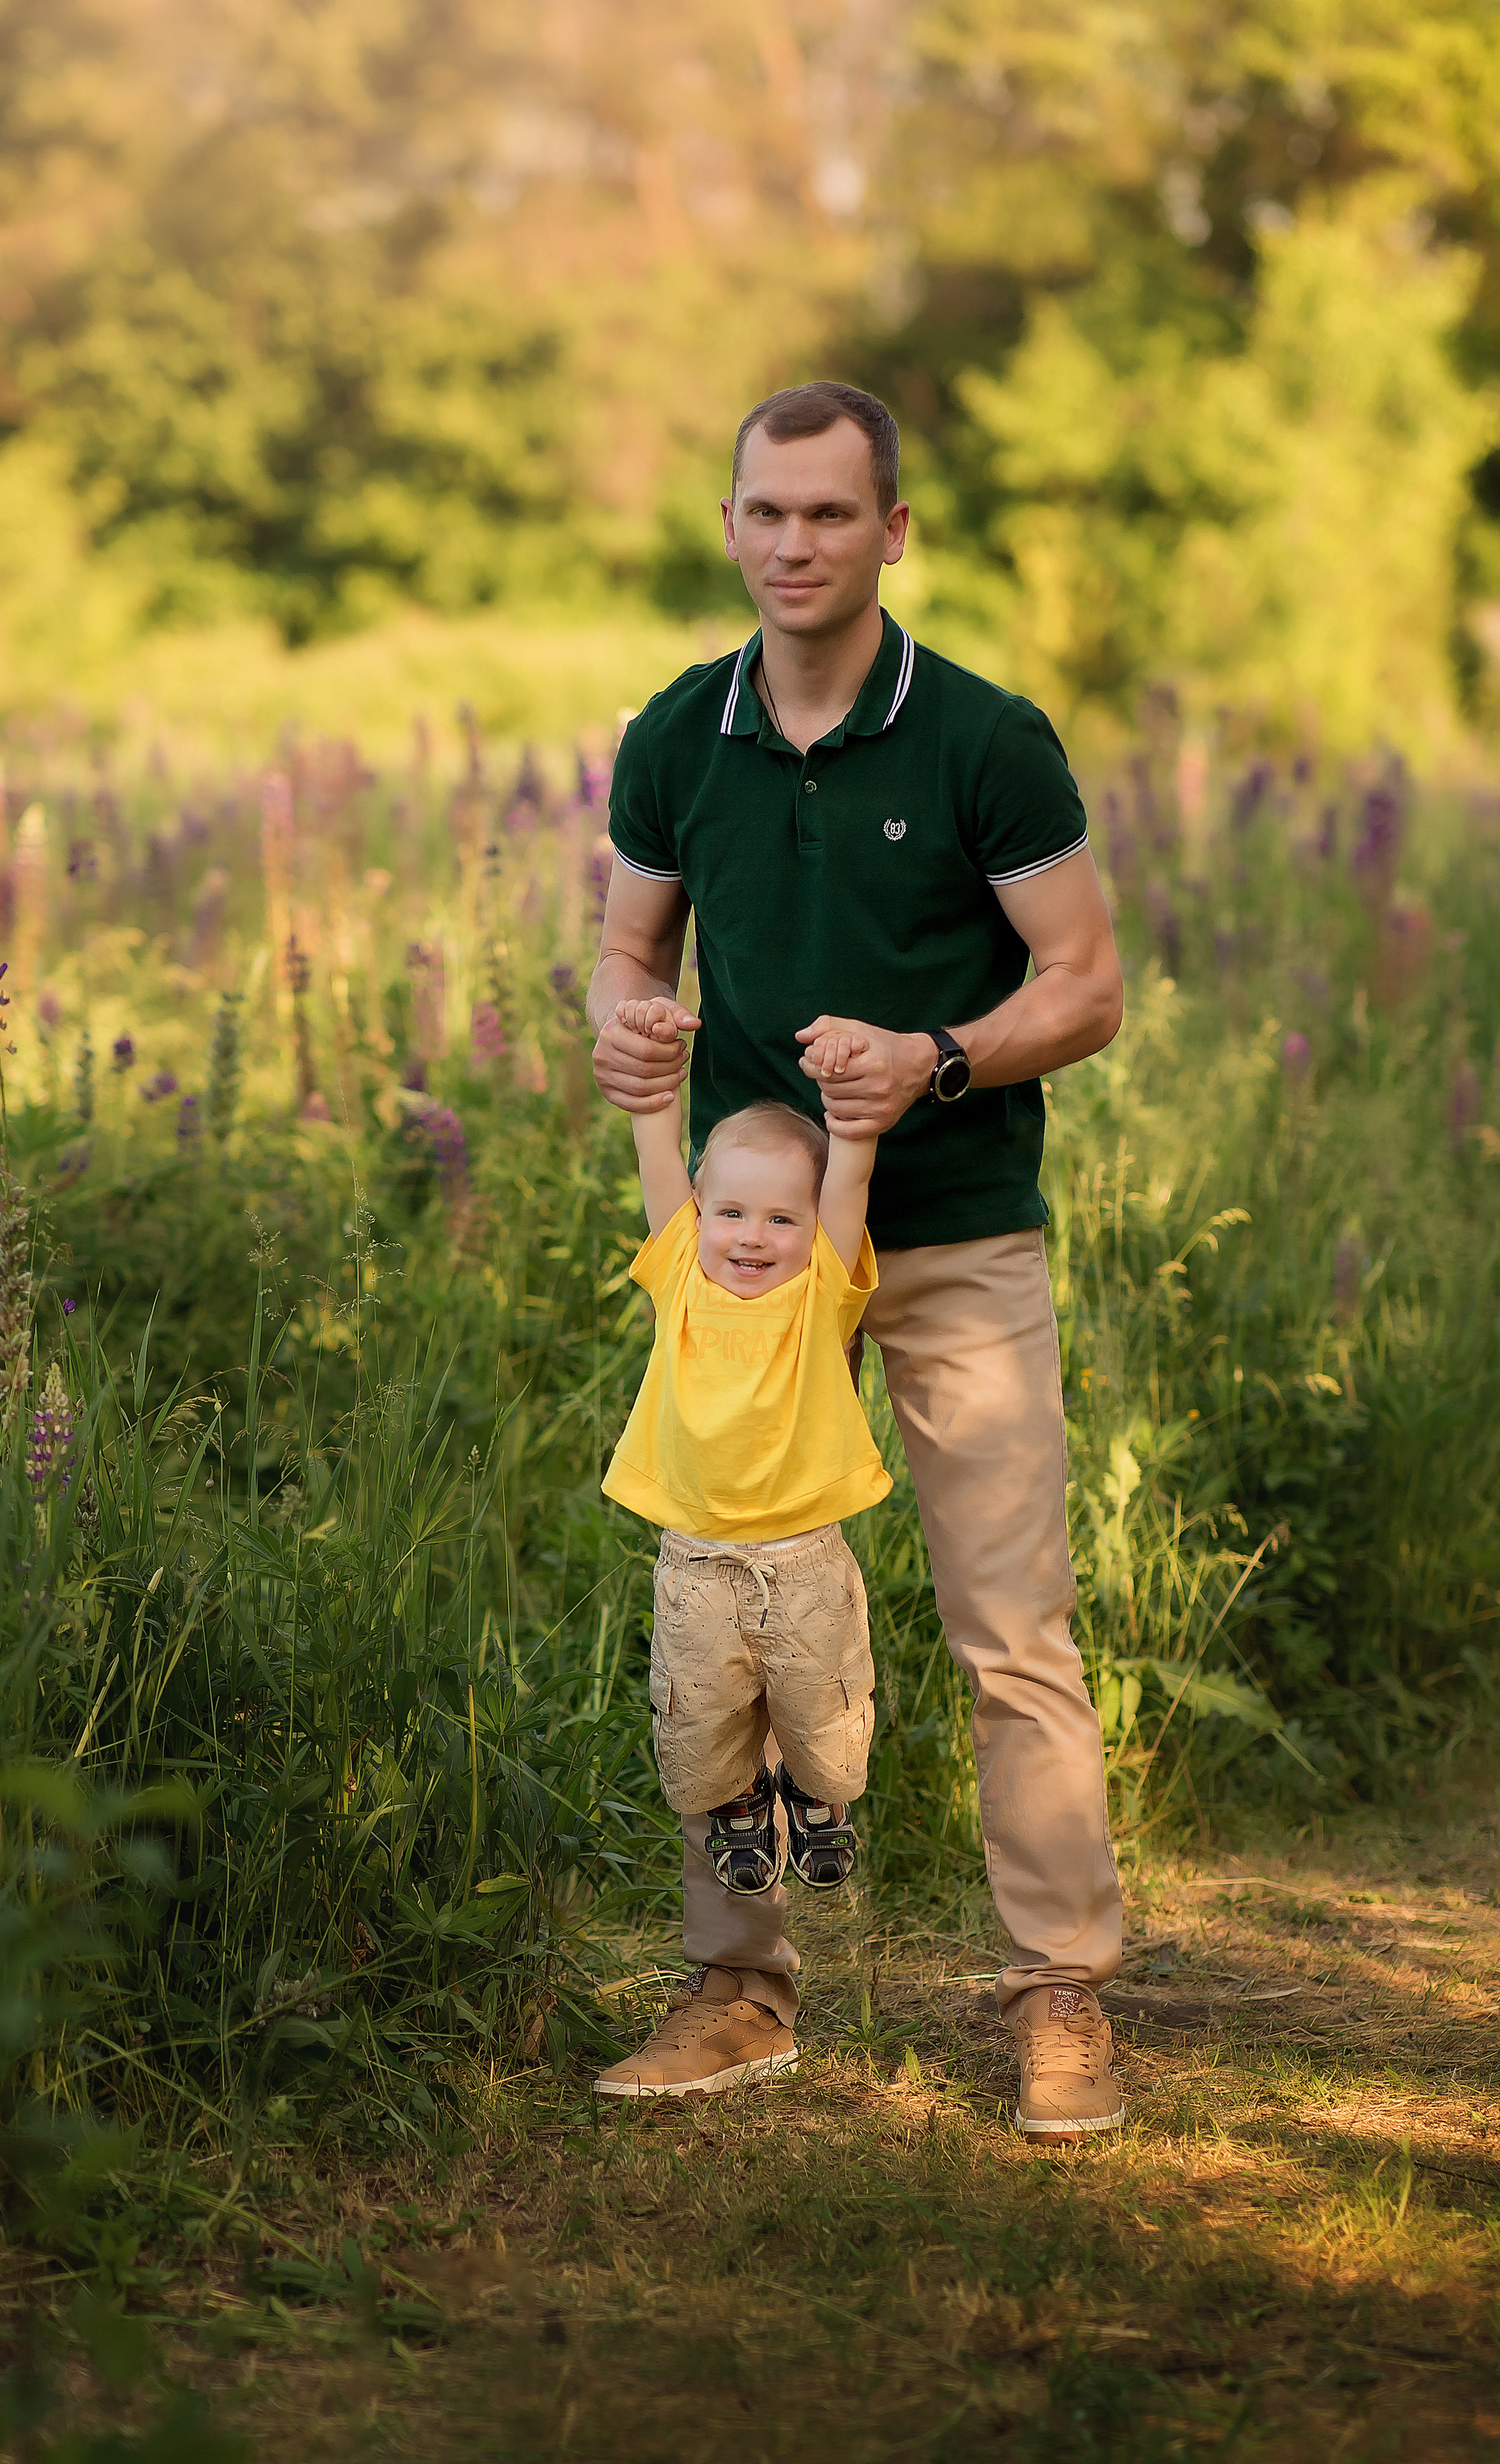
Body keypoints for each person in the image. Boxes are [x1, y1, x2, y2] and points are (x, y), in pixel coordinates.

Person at [586, 379, 1127, 2139]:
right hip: (752, 1269)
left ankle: (1059, 1990)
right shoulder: (676, 738)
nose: (795, 543)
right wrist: (627, 1039)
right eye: (767, 511)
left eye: (832, 513)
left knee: (1006, 1624)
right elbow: (628, 958)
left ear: (895, 530)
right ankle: (740, 1991)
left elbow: (1087, 987)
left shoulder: (985, 737)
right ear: (730, 524)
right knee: (721, 1627)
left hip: (957, 1233)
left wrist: (938, 1061)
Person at [594, 1023, 889, 2099]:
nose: (752, 1236)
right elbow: (660, 1159)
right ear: (701, 1218)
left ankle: (817, 1799)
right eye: (732, 1212)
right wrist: (649, 1094)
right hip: (697, 1560)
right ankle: (736, 1809)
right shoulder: (681, 1272)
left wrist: (851, 1126)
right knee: (701, 1722)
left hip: (804, 1558)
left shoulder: (822, 1291)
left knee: (824, 1723)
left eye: (780, 1217)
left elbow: (847, 1189)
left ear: (812, 1231)